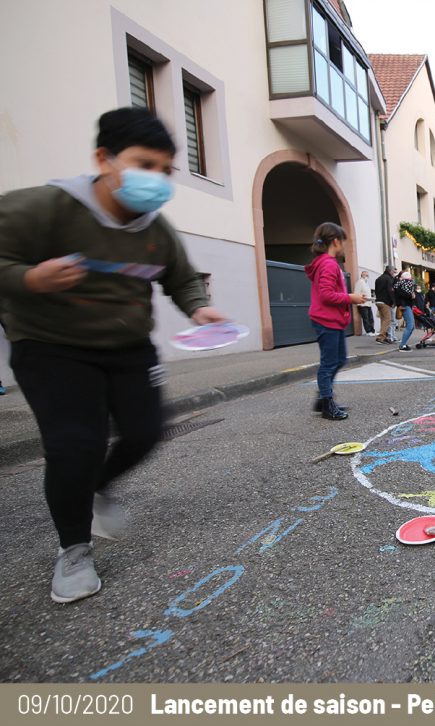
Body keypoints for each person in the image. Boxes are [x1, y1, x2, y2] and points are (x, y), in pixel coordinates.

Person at [0, 107, 228, 603]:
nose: (157, 180)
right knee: (74, 445)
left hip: (126, 346)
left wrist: (199, 308)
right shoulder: (43, 208)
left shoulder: (155, 228)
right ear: (104, 159)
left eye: (166, 170)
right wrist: (29, 278)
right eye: (144, 164)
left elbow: (181, 276)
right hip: (49, 345)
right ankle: (74, 549)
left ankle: (94, 488)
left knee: (146, 431)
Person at [306, 222, 365, 421]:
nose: (344, 247)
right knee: (329, 363)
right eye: (343, 242)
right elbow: (326, 295)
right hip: (326, 320)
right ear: (336, 241)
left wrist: (349, 298)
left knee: (338, 360)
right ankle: (326, 403)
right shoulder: (328, 264)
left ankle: (324, 398)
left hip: (331, 320)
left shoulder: (327, 263)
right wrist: (350, 298)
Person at [393, 270, 417, 351]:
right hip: (405, 306)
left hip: (406, 306)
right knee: (410, 326)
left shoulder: (399, 284)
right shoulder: (402, 285)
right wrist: (411, 295)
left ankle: (403, 344)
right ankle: (402, 345)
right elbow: (405, 295)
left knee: (411, 326)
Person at [373, 265, 396, 344]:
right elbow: (390, 291)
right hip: (385, 302)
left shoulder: (379, 278)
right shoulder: (388, 279)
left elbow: (376, 291)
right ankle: (380, 337)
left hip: (378, 301)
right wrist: (393, 302)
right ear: (390, 271)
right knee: (388, 319)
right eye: (393, 271)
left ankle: (384, 337)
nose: (394, 273)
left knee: (383, 320)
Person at [353, 270, 375, 336]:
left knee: (371, 318)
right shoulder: (359, 282)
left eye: (368, 275)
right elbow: (356, 293)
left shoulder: (366, 283)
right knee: (366, 319)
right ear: (362, 275)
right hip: (362, 304)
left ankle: (372, 331)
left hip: (368, 303)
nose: (367, 276)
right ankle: (368, 332)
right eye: (366, 275)